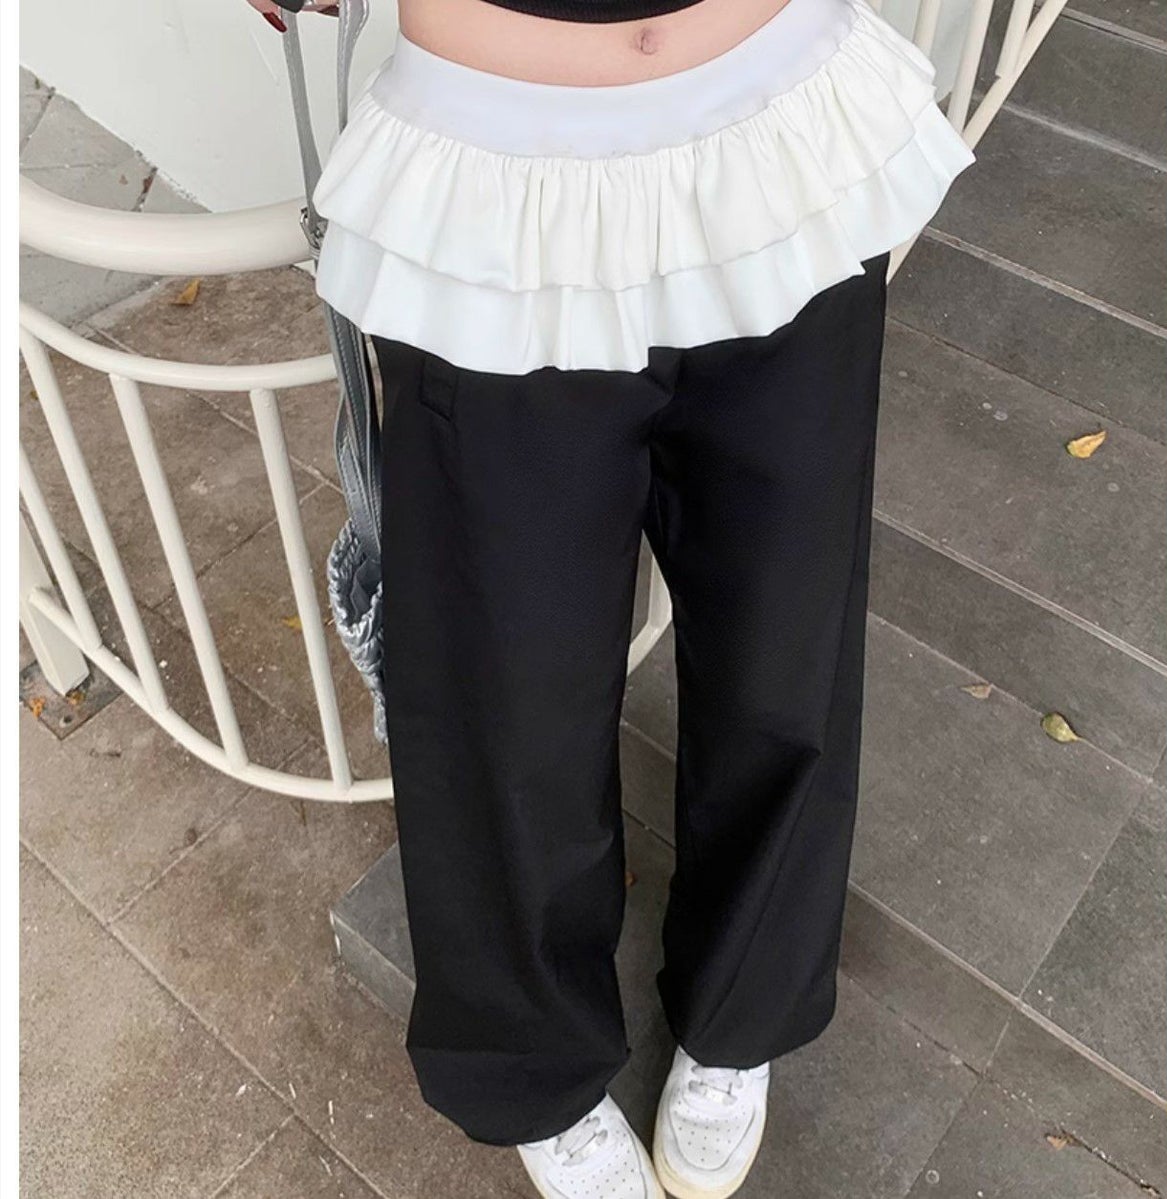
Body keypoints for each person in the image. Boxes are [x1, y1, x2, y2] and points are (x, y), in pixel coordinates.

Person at [249, 1, 975, 1195]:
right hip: (493, 170)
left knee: (784, 639)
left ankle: (743, 1004)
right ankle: (536, 1061)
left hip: (775, 116)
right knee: (507, 688)